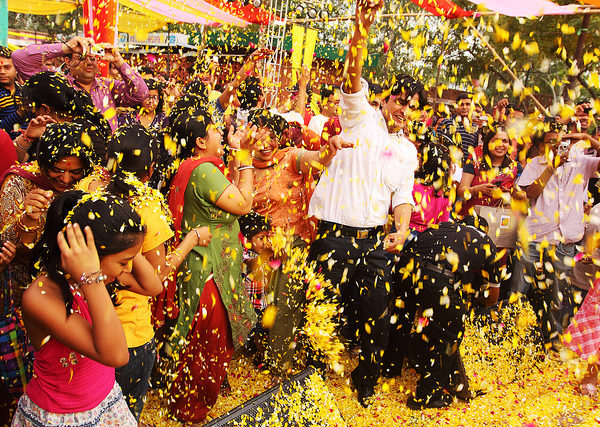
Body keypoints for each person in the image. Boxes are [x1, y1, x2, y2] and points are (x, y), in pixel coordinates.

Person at [307, 0, 420, 407]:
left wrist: (403, 229)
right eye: (399, 101)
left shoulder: (406, 150)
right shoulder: (362, 118)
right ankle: (312, 376)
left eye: (411, 105)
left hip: (374, 241)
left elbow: (402, 196)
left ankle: (366, 379)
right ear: (386, 101)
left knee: (377, 314)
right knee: (321, 307)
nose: (403, 109)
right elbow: (352, 74)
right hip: (335, 235)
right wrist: (360, 28)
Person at [81, 125, 212, 421]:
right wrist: (192, 239)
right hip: (129, 333)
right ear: (151, 168)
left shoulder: (87, 190)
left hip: (84, 324)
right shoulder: (147, 209)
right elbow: (157, 276)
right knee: (123, 415)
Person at [13, 190, 156, 425]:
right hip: (64, 416)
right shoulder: (41, 297)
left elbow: (153, 286)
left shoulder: (98, 279)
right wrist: (91, 275)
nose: (128, 269)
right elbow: (117, 356)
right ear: (91, 254)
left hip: (105, 401)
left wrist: (127, 239)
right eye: (122, 262)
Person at [165, 108, 258, 424]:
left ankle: (188, 401)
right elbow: (243, 204)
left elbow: (226, 190)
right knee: (208, 342)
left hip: (204, 265)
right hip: (208, 271)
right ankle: (191, 411)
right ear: (200, 141)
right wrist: (245, 157)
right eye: (216, 130)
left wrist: (233, 155)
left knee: (201, 340)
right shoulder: (203, 172)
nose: (222, 132)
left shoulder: (198, 167)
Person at [247, 108, 352, 374]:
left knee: (284, 306)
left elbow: (315, 159)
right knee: (257, 305)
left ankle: (279, 362)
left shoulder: (289, 158)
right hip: (253, 248)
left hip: (290, 245)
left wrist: (329, 151)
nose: (266, 143)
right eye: (260, 136)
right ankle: (254, 350)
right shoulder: (242, 165)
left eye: (272, 137)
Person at [386, 217, 502, 409]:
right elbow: (492, 297)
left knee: (402, 316)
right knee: (450, 333)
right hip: (436, 277)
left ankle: (390, 367)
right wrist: (473, 302)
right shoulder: (487, 243)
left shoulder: (443, 226)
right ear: (485, 231)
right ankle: (428, 395)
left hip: (404, 268)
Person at [514, 130, 600, 347]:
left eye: (562, 142)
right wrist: (552, 166)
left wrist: (589, 140)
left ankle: (552, 340)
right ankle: (510, 335)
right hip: (535, 236)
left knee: (558, 295)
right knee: (518, 288)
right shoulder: (535, 163)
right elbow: (531, 193)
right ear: (542, 144)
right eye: (551, 142)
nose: (557, 146)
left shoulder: (582, 162)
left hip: (564, 240)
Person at [11, 36, 149, 132]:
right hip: (67, 160)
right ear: (68, 60)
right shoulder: (57, 84)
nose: (88, 62)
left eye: (93, 58)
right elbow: (19, 59)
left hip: (104, 159)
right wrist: (65, 47)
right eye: (81, 57)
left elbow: (141, 93)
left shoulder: (107, 86)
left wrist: (118, 61)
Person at [17, 72, 110, 164]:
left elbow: (101, 171)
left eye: (33, 110)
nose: (33, 114)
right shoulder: (45, 127)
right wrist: (27, 137)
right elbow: (19, 161)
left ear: (45, 109)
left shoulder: (86, 129)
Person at [457, 126, 524, 216]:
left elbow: (524, 196)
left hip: (500, 221)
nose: (500, 144)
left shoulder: (516, 167)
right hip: (471, 219)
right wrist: (477, 189)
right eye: (495, 140)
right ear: (488, 143)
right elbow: (461, 192)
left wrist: (513, 193)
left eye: (504, 141)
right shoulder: (475, 163)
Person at [409, 142, 453, 233]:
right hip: (429, 235)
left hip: (406, 231)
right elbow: (442, 223)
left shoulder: (411, 184)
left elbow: (396, 209)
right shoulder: (445, 193)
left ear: (421, 162)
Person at [438, 93, 479, 160]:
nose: (464, 107)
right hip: (448, 165)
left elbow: (474, 150)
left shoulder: (475, 127)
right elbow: (437, 144)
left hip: (466, 168)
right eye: (461, 104)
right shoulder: (446, 122)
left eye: (467, 104)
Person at [0, 47, 27, 139]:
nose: (2, 72)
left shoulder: (24, 91)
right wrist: (18, 115)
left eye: (7, 67)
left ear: (16, 69)